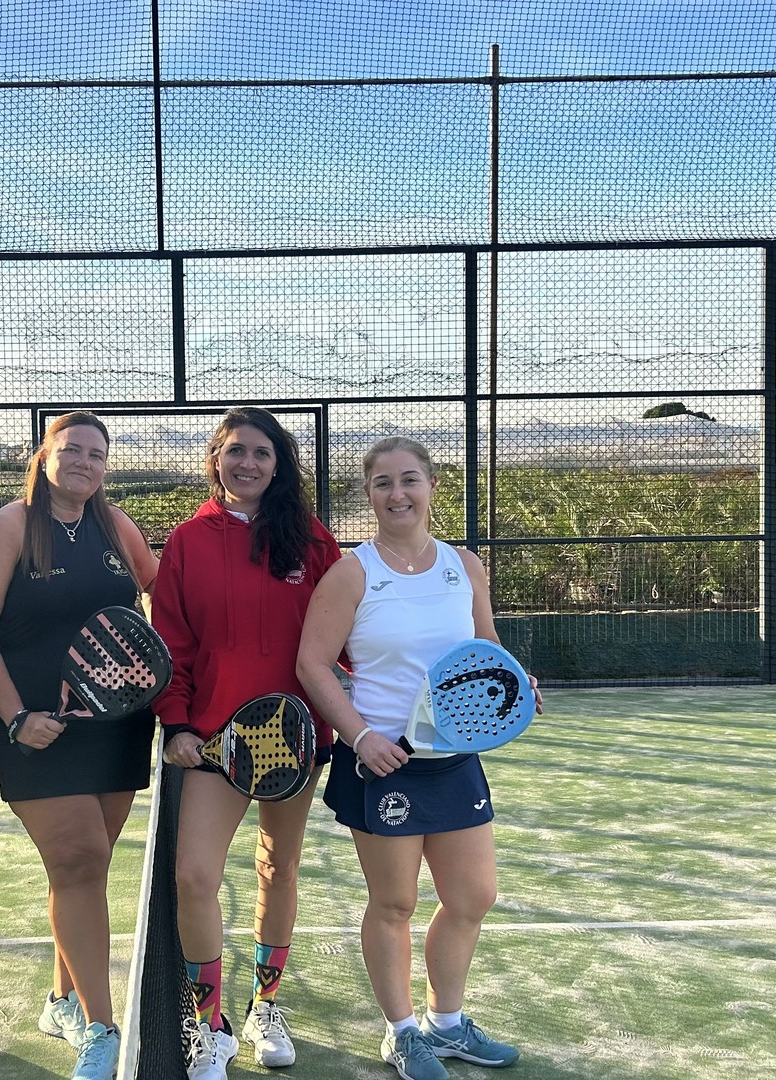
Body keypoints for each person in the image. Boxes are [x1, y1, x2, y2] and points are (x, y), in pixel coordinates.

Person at [295, 436, 538, 1080]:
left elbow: (487, 646)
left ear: (431, 486)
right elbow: (312, 664)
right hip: (383, 764)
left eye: (409, 480)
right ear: (368, 493)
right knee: (395, 903)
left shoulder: (465, 566)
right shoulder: (352, 573)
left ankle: (446, 1024)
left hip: (454, 759)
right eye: (383, 483)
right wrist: (359, 737)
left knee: (473, 896)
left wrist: (517, 684)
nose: (397, 494)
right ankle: (402, 1034)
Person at [0, 410, 160, 1080]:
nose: (84, 462)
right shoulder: (12, 526)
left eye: (96, 454)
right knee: (78, 860)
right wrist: (15, 717)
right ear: (43, 457)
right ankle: (102, 1029)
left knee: (83, 871)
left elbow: (166, 592)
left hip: (117, 726)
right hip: (34, 729)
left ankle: (60, 1001)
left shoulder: (115, 525)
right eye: (71, 449)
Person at [151, 408, 342, 1078]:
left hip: (294, 739)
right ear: (216, 460)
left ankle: (266, 1006)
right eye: (235, 451)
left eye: (261, 452)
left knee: (277, 868)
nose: (248, 463)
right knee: (194, 876)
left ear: (278, 464)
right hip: (213, 743)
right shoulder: (187, 541)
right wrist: (177, 722)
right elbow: (172, 643)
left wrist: (348, 713)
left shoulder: (313, 541)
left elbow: (346, 639)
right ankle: (210, 1027)